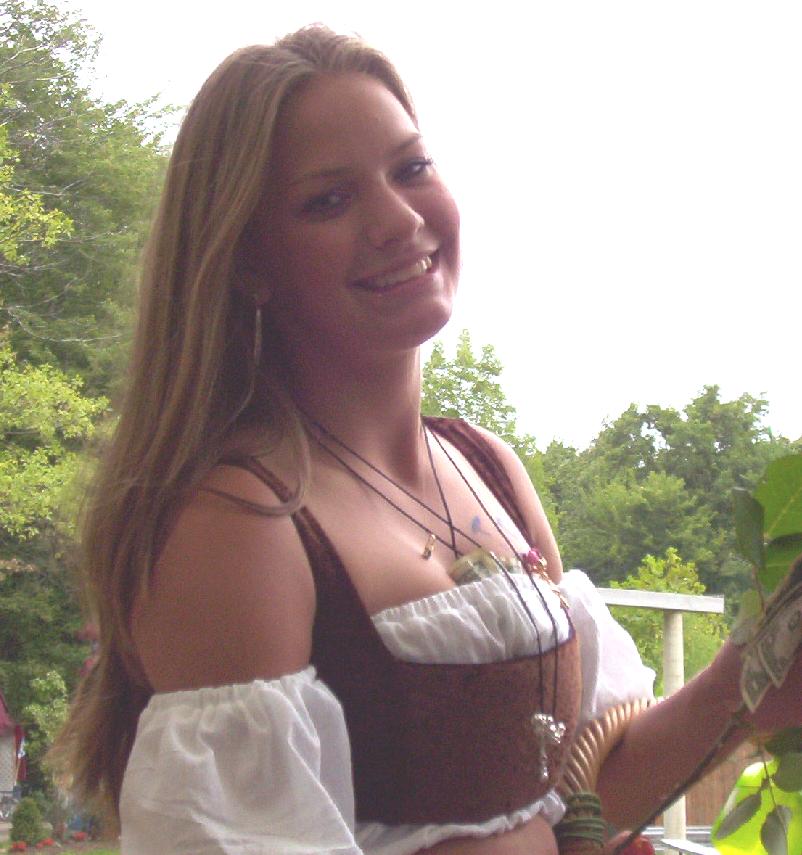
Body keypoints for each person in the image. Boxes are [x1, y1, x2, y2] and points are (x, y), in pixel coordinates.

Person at [51, 25, 802, 855]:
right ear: (248, 262)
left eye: (411, 168)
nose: (400, 218)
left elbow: (582, 787)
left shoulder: (487, 467)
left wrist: (754, 675)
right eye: (329, 200)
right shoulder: (238, 522)